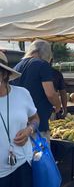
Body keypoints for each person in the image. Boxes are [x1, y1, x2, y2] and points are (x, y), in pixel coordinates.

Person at [0, 51, 39, 187]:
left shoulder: (22, 93)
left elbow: (35, 118)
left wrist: (29, 130)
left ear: (4, 74)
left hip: (22, 164)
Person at [12, 40, 61, 142]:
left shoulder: (17, 67)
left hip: (20, 127)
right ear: (47, 54)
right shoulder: (43, 65)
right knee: (41, 157)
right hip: (38, 126)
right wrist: (58, 105)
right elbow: (50, 94)